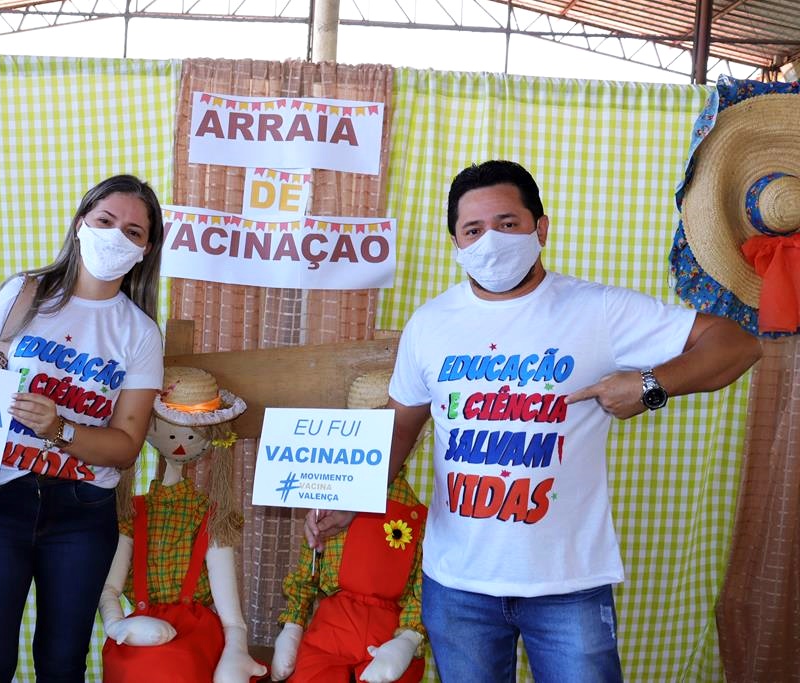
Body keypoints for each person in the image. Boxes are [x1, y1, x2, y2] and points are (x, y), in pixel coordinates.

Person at [306, 160, 762, 682]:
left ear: (540, 228)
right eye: (473, 230)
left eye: (507, 223)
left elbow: (736, 343)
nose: (491, 242)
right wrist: (348, 496)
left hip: (567, 584)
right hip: (458, 584)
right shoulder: (430, 325)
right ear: (455, 242)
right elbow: (401, 426)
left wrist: (651, 384)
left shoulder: (598, 311)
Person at [0, 174, 165, 682]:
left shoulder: (141, 333)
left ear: (145, 249)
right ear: (80, 224)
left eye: (133, 232)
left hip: (82, 514)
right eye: (105, 221)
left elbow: (126, 446)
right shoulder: (24, 294)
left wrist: (60, 428)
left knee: (63, 667)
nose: (116, 236)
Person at [98, 366, 267, 683]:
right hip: (138, 627)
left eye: (192, 435)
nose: (179, 444)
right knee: (130, 667)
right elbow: (109, 588)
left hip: (195, 632)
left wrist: (236, 649)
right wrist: (116, 624)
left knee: (178, 666)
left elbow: (230, 614)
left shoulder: (211, 515)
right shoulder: (132, 513)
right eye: (172, 432)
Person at [271, 370, 427, 683]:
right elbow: (308, 570)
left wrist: (407, 639)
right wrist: (293, 626)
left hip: (389, 633)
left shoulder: (420, 517)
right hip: (331, 628)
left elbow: (422, 589)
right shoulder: (329, 502)